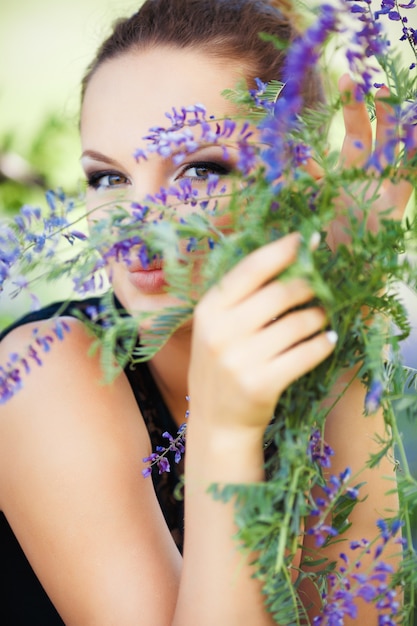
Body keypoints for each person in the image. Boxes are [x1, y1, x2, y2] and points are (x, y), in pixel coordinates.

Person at [0, 1, 414, 624]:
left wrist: (337, 304)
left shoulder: (317, 356)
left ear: (299, 187)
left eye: (200, 169)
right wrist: (225, 432)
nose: (137, 229)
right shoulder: (43, 373)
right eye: (109, 179)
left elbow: (360, 611)